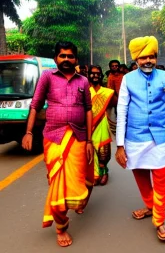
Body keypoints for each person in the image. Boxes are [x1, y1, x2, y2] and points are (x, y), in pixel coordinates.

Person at [115, 36, 165, 241]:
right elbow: (122, 110)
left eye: (152, 57)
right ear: (136, 59)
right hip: (135, 137)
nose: (148, 61)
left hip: (161, 138)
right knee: (140, 176)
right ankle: (150, 205)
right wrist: (120, 145)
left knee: (162, 179)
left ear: (156, 58)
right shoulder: (128, 79)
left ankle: (159, 218)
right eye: (144, 57)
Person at [22, 41, 94, 247]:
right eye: (62, 56)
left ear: (76, 60)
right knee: (58, 183)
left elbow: (88, 110)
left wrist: (89, 140)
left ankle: (76, 201)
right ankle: (61, 226)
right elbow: (35, 105)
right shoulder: (47, 77)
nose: (66, 60)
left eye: (70, 56)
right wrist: (28, 132)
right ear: (56, 59)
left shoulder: (83, 81)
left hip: (79, 137)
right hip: (53, 137)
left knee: (80, 178)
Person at [88, 65, 114, 185]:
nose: (95, 76)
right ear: (88, 76)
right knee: (90, 150)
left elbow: (115, 105)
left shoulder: (108, 92)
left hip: (102, 124)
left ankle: (104, 172)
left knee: (103, 151)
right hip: (89, 125)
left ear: (101, 76)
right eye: (92, 73)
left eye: (97, 73)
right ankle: (94, 173)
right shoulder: (86, 92)